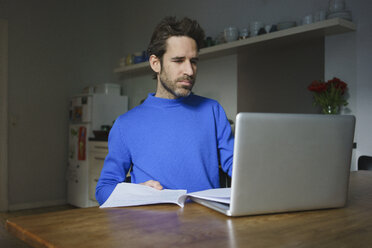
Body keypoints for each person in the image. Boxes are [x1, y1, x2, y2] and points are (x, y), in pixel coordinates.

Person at [95, 16, 234, 205]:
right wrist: (136, 192)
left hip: (209, 223)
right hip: (153, 228)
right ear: (155, 63)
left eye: (193, 61)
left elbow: (238, 167)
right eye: (178, 60)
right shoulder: (125, 124)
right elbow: (104, 190)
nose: (190, 71)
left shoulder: (213, 111)